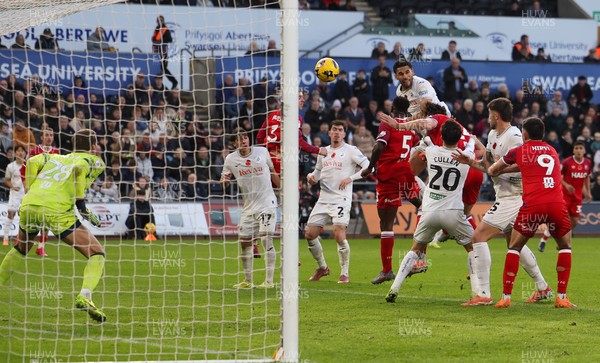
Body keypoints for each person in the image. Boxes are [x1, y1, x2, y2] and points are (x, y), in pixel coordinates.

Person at [0, 129, 107, 321]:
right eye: (96, 144)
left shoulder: (56, 158)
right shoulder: (95, 161)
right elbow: (79, 170)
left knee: (20, 249)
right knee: (97, 253)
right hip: (57, 209)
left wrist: (31, 189)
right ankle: (85, 296)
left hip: (31, 204)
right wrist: (82, 206)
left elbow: (31, 162)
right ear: (93, 146)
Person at [453, 98, 552, 306]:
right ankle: (543, 287)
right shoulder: (492, 135)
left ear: (495, 115)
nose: (488, 118)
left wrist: (500, 169)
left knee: (478, 236)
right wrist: (470, 161)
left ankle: (483, 294)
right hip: (504, 195)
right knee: (514, 242)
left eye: (489, 114)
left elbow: (525, 161)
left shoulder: (515, 136)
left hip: (514, 196)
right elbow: (488, 165)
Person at [385, 120, 478, 303]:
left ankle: (394, 288)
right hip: (453, 212)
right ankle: (476, 293)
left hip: (429, 212)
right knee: (473, 248)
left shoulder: (432, 151)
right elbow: (471, 144)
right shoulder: (466, 155)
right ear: (459, 138)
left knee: (415, 249)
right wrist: (472, 139)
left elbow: (425, 143)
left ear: (441, 136)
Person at [488, 117, 575, 308]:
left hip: (533, 205)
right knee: (565, 246)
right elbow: (536, 166)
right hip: (555, 203)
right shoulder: (552, 150)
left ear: (524, 134)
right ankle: (561, 297)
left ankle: (506, 298)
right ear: (542, 134)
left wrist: (497, 169)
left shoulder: (518, 151)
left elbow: (493, 170)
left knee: (514, 247)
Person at [361, 96, 422, 284]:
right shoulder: (410, 126)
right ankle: (440, 227)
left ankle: (387, 270)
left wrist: (370, 166)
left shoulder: (388, 123)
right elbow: (416, 143)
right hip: (405, 169)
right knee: (420, 204)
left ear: (393, 107)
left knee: (386, 224)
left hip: (389, 174)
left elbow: (379, 146)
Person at [305, 121, 369, 283]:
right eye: (334, 129)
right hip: (324, 198)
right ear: (329, 133)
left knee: (338, 232)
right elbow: (318, 172)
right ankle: (322, 268)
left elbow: (369, 167)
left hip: (341, 198)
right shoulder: (323, 152)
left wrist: (350, 178)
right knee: (310, 234)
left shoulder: (351, 151)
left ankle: (344, 273)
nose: (336, 133)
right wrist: (311, 178)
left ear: (344, 134)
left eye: (340, 130)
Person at [221, 131, 280, 288]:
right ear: (234, 143)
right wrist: (225, 181)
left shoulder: (262, 151)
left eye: (245, 138)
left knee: (266, 238)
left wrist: (283, 190)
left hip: (267, 202)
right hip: (248, 206)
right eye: (239, 139)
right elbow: (224, 179)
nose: (243, 141)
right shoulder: (230, 159)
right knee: (245, 242)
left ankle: (269, 281)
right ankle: (248, 281)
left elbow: (273, 172)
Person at [538, 141, 592, 251]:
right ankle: (550, 240)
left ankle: (561, 239)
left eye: (581, 148)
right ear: (573, 150)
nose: (578, 150)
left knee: (575, 221)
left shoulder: (587, 163)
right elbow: (558, 176)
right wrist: (567, 185)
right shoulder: (567, 162)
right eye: (576, 148)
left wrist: (588, 192)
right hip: (564, 196)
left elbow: (586, 178)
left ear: (584, 151)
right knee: (561, 220)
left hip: (577, 197)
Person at [256, 91, 327, 174]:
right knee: (291, 186)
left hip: (267, 158)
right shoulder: (296, 118)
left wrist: (268, 152)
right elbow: (299, 142)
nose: (303, 100)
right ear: (290, 100)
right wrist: (318, 150)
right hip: (284, 161)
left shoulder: (272, 114)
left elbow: (259, 137)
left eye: (303, 97)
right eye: (299, 98)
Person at [19, 127, 60, 256]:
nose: (49, 137)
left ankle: (41, 247)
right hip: (35, 189)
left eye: (51, 135)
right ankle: (19, 241)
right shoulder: (34, 151)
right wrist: (26, 184)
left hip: (49, 189)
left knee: (46, 218)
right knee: (29, 217)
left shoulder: (56, 152)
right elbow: (23, 169)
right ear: (41, 137)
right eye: (46, 135)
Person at [3, 145, 26, 246]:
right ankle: (6, 238)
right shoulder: (10, 166)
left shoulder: (28, 165)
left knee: (26, 217)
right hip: (14, 194)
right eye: (18, 151)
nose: (20, 153)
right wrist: (12, 186)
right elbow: (6, 180)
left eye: (22, 151)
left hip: (25, 194)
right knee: (10, 215)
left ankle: (22, 238)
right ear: (15, 153)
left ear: (25, 153)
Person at [152, 16, 178, 89]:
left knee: (163, 68)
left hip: (163, 50)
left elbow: (169, 39)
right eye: (158, 20)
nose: (159, 22)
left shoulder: (165, 29)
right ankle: (169, 83)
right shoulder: (157, 28)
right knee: (161, 68)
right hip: (157, 50)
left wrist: (161, 40)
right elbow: (153, 38)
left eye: (161, 20)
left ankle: (173, 81)